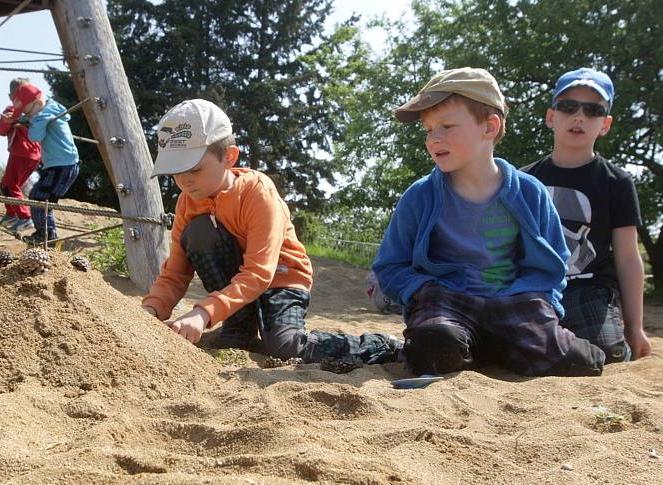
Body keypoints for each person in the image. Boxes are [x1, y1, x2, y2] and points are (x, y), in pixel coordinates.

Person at [372, 67, 605, 377]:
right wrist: (422, 290)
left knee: (579, 362)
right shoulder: (420, 196)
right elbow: (389, 266)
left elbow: (552, 266)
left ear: (489, 127)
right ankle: (477, 345)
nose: (433, 139)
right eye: (428, 129)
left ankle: (496, 344)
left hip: (515, 302)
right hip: (447, 301)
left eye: (447, 126)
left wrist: (537, 306)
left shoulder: (529, 192)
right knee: (434, 344)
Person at [141, 99, 400, 365]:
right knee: (199, 232)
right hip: (236, 286)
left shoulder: (257, 193)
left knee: (284, 346)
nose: (184, 180)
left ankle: (378, 345)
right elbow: (175, 272)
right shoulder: (188, 201)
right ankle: (239, 329)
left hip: (282, 279)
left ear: (229, 156)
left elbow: (258, 273)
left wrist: (204, 313)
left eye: (194, 168)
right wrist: (152, 308)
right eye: (175, 171)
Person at [522, 68, 651, 363]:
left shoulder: (617, 182)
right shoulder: (523, 179)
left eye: (592, 110)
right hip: (535, 288)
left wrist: (636, 328)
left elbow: (629, 258)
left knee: (604, 355)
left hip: (590, 290)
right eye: (568, 107)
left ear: (605, 124)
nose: (579, 116)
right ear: (551, 117)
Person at [10, 83, 79, 245]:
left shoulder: (43, 116)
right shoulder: (48, 110)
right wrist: (24, 118)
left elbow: (34, 136)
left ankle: (46, 235)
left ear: (38, 104)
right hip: (60, 165)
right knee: (41, 199)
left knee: (39, 199)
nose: (27, 115)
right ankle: (47, 233)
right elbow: (32, 118)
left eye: (27, 111)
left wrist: (30, 120)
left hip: (63, 166)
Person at [0, 77, 41, 233]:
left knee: (10, 184)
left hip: (22, 153)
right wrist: (8, 121)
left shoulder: (18, 111)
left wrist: (10, 119)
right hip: (33, 155)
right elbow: (0, 130)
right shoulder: (15, 112)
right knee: (7, 184)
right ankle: (12, 213)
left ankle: (25, 216)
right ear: (12, 97)